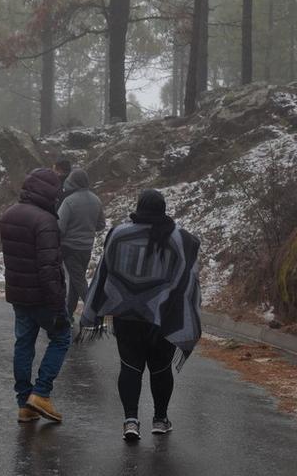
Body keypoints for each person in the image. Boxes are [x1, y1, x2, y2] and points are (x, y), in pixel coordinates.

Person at [79, 189, 202, 441]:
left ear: (139, 206)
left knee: (130, 367)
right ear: (163, 209)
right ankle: (159, 419)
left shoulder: (117, 234)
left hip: (126, 314)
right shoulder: (180, 239)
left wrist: (97, 306)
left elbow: (105, 271)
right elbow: (187, 279)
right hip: (162, 315)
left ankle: (131, 421)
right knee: (160, 368)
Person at [0, 168, 70, 423]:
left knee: (24, 344)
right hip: (42, 296)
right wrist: (58, 306)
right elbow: (48, 267)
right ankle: (41, 393)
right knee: (61, 338)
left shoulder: (9, 215)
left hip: (18, 294)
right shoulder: (45, 221)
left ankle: (24, 404)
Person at [57, 169, 105, 322]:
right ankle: (68, 314)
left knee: (79, 282)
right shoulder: (96, 200)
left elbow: (60, 227)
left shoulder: (69, 201)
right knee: (76, 282)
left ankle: (94, 313)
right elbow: (101, 224)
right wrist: (87, 228)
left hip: (69, 248)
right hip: (86, 248)